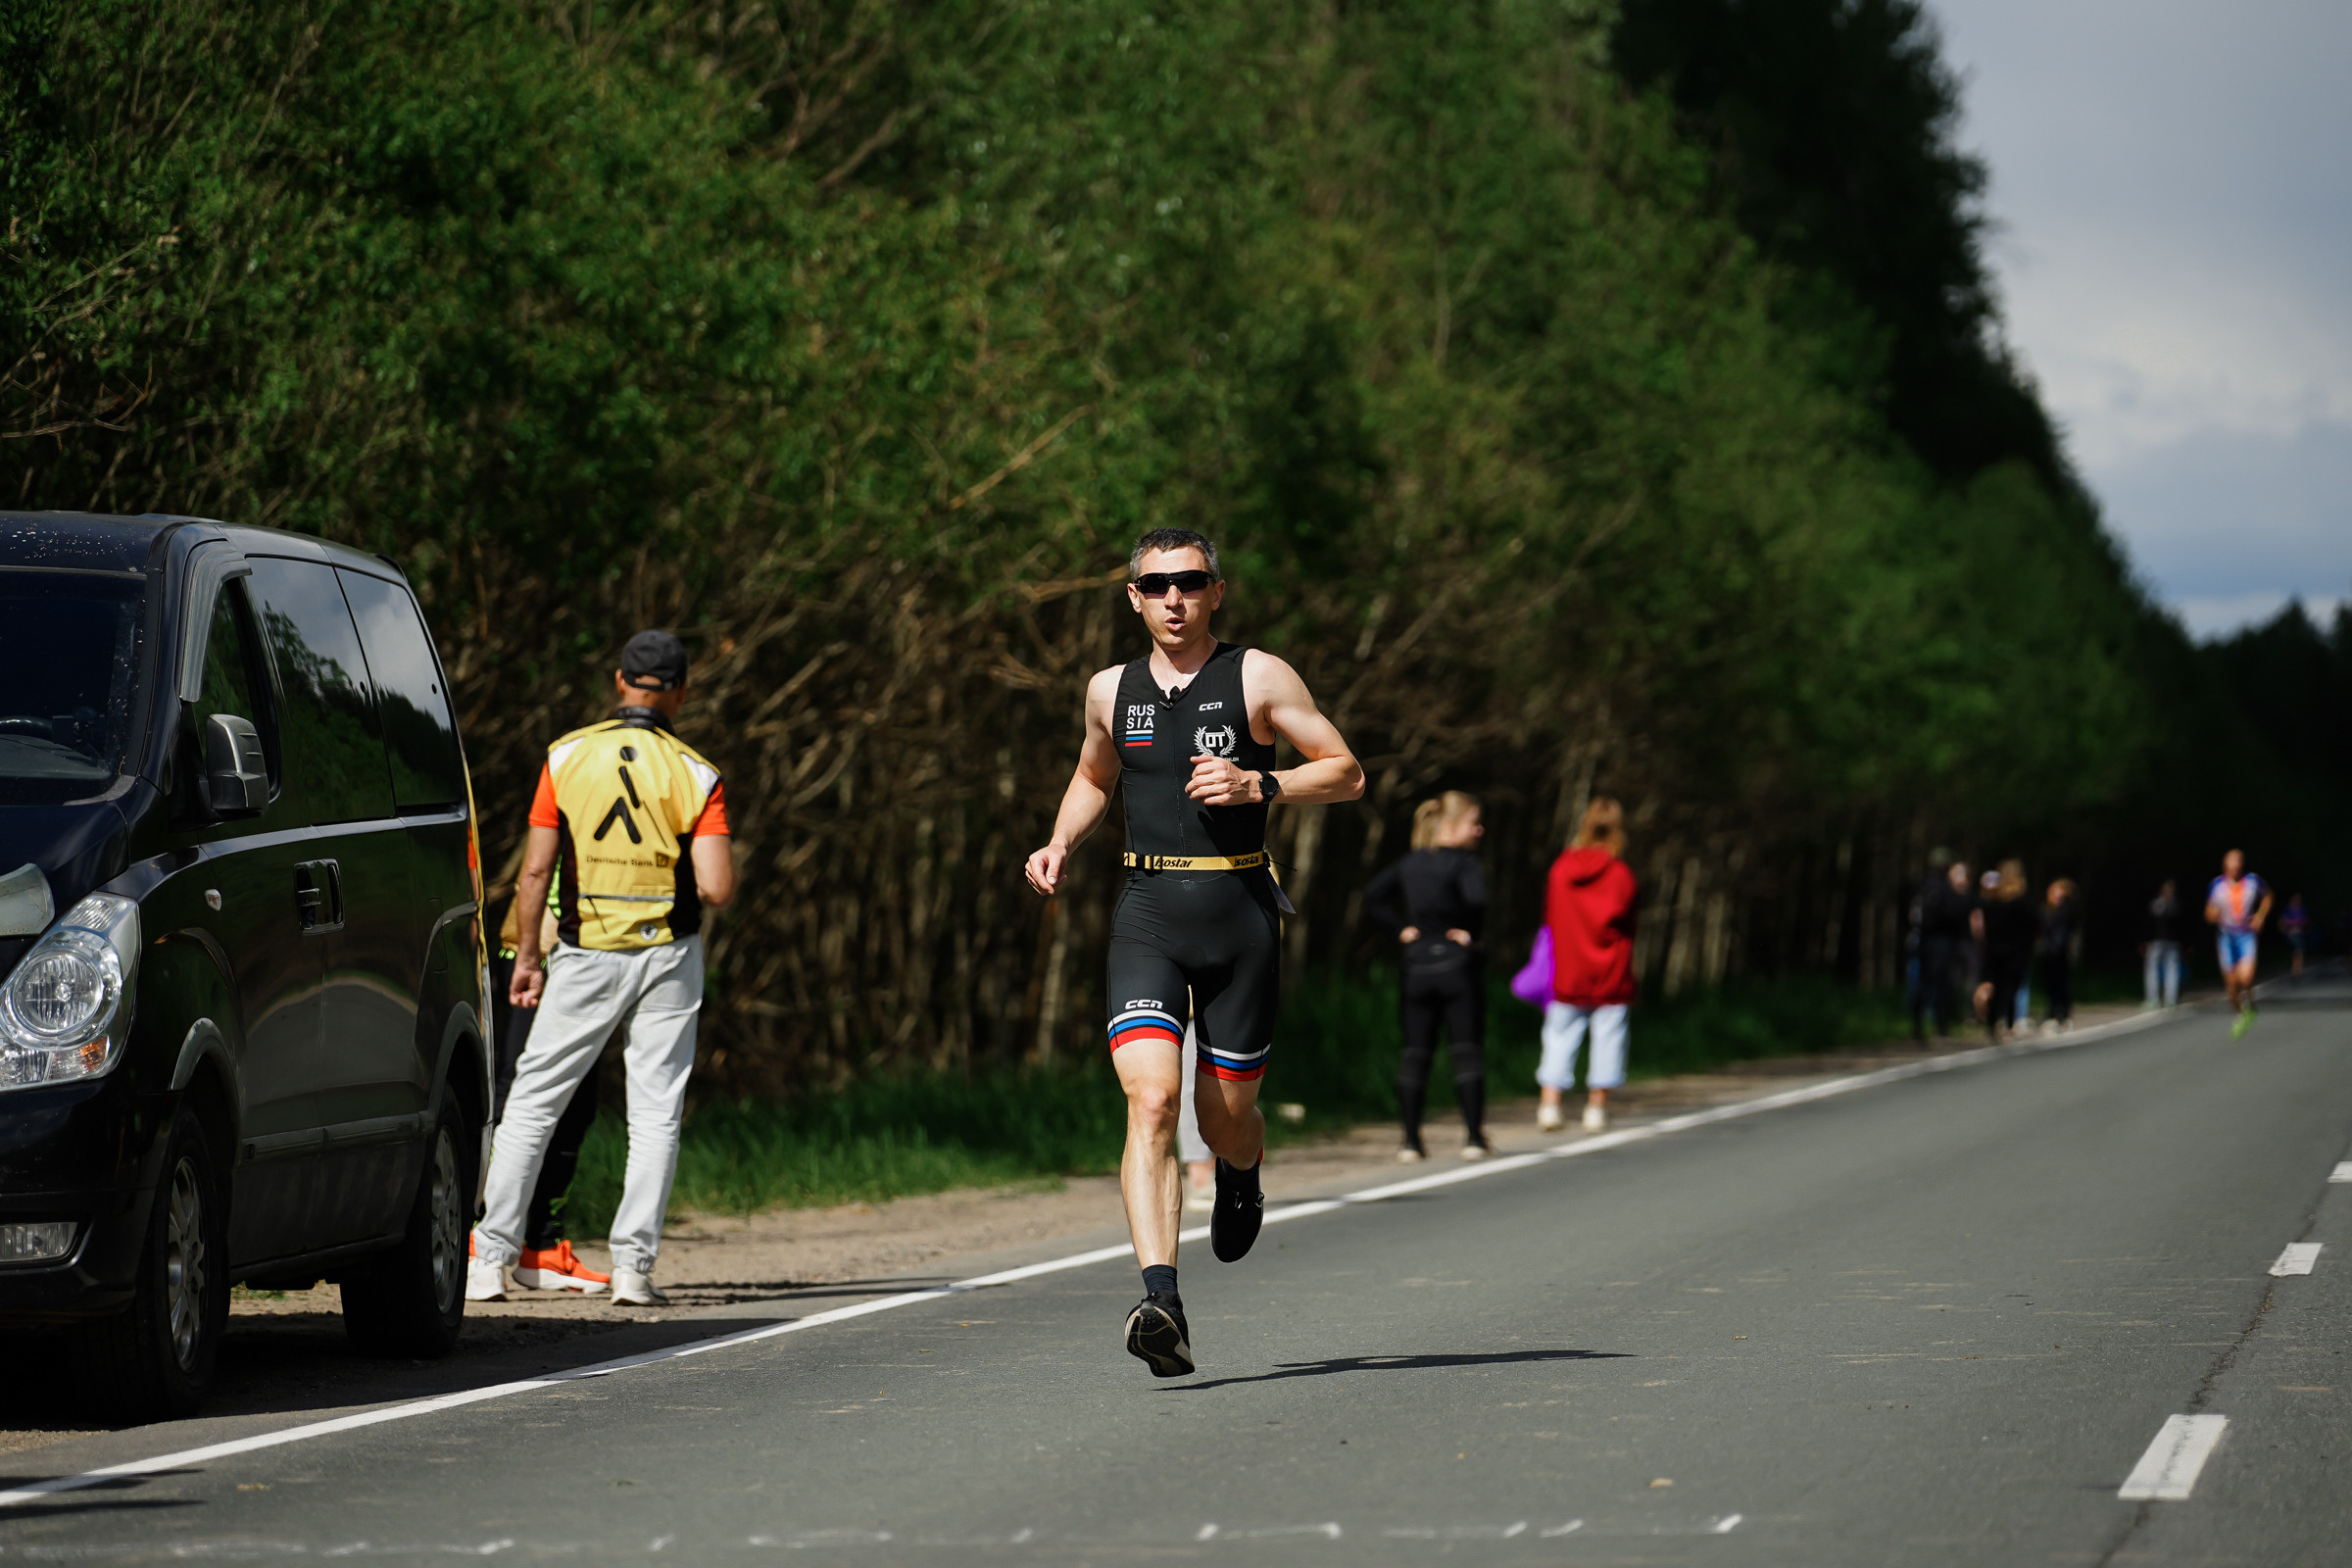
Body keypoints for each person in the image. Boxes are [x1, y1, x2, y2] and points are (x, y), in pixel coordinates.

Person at [1023, 528, 1363, 1379]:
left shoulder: (1258, 676)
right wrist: (1060, 839)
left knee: (1225, 1119)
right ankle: (1160, 1300)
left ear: (1217, 591)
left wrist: (1265, 783)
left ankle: (1242, 1171)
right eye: (1156, 584)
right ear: (1132, 598)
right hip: (1146, 914)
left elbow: (1348, 771)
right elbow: (1093, 777)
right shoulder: (1109, 690)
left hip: (1239, 912)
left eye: (1191, 582)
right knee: (1150, 1101)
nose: (1174, 598)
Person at [468, 630, 736, 1308]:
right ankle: (633, 1272)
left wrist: (528, 957)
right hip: (666, 956)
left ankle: (487, 1261)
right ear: (680, 692)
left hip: (583, 951)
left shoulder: (565, 756)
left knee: (531, 1103)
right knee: (655, 1114)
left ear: (620, 682)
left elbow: (534, 871)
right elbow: (716, 885)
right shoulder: (697, 774)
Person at [481, 890, 611, 1292]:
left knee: (576, 1105)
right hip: (541, 949)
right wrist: (528, 956)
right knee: (516, 1097)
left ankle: (542, 1247)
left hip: (590, 952)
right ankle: (476, 1242)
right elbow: (537, 869)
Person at [1365, 791, 1490, 1163]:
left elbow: (1373, 896)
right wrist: (1470, 933)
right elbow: (1477, 900)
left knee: (1415, 1053)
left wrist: (1401, 928)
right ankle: (1473, 1137)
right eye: (1474, 823)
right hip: (1456, 966)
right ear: (1452, 825)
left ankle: (1410, 1141)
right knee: (1465, 1050)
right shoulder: (1465, 863)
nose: (1479, 829)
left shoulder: (1411, 863)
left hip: (1417, 966)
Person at [1537, 799, 1638, 1134]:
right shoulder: (1619, 873)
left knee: (1559, 1038)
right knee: (1608, 1039)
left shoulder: (1561, 868)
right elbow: (1626, 919)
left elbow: (1550, 916)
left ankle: (1550, 1105)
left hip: (1568, 970)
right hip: (1610, 972)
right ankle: (1596, 1108)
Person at [2205, 848, 2272, 1038]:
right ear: (2225, 865)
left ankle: (2250, 1004)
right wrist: (2213, 915)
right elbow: (2208, 913)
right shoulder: (2217, 885)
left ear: (2242, 864)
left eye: (2238, 862)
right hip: (2226, 936)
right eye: (2231, 862)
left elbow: (2268, 896)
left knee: (2246, 978)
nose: (2235, 866)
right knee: (2232, 984)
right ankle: (2239, 1014)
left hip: (2246, 934)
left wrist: (2260, 917)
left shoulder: (2252, 881)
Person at [1908, 858, 1974, 1042]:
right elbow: (1958, 914)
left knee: (1920, 982)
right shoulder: (1947, 890)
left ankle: (1917, 1024)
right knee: (1940, 984)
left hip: (1921, 939)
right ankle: (1940, 1025)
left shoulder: (1921, 886)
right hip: (1942, 942)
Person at [1977, 861, 2035, 1043]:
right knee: (2012, 988)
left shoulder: (1993, 903)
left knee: (1997, 987)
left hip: (1996, 951)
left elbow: (1987, 929)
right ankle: (2010, 1023)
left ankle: (1993, 1023)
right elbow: (2034, 926)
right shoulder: (2023, 903)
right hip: (2015, 952)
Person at [2038, 878, 2080, 1033]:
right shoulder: (2050, 909)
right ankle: (2054, 1010)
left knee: (2061, 982)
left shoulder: (2067, 908)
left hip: (2061, 951)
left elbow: (2051, 924)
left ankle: (2062, 1013)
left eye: (2055, 890)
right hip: (2050, 950)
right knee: (2050, 983)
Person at [2142, 880, 2184, 1009]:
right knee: (2167, 970)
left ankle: (2159, 998)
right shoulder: (2176, 905)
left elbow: (2148, 923)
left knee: (2162, 970)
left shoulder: (2159, 905)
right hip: (2161, 942)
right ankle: (2165, 998)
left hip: (2165, 942)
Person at [2281, 893, 2310, 976]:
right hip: (2291, 933)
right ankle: (2297, 969)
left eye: (2299, 898)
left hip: (2299, 933)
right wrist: (2285, 926)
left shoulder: (2302, 908)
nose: (2297, 900)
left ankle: (2297, 969)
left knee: (2298, 950)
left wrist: (2302, 924)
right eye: (2295, 898)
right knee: (2298, 949)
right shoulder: (2288, 909)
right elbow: (2283, 920)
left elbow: (2305, 920)